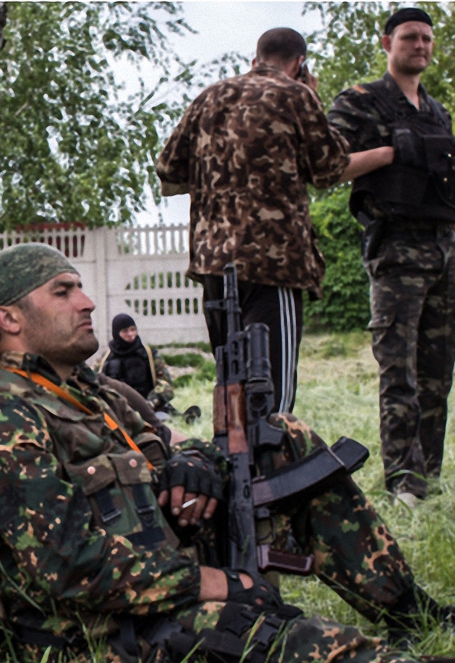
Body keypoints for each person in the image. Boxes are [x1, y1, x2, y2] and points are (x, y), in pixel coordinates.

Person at [0, 243, 455, 663]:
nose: (89, 302)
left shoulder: (91, 390)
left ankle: (407, 610)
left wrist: (193, 462)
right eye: (64, 291)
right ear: (9, 318)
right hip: (100, 633)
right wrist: (217, 582)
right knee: (282, 639)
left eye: (80, 286)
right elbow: (71, 567)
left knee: (281, 441)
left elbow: (163, 446)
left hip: (164, 567)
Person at [156, 27, 396, 414]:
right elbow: (329, 167)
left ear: (255, 60)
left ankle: (234, 470)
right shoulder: (297, 95)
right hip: (274, 264)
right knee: (271, 399)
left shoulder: (209, 97)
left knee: (231, 393)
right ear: (300, 64)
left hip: (214, 266)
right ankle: (269, 469)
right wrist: (380, 150)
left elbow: (167, 167)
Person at [326, 8, 455, 508]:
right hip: (395, 250)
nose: (421, 46)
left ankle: (428, 477)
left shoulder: (438, 112)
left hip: (440, 250)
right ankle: (403, 482)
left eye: (428, 39)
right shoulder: (362, 102)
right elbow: (328, 166)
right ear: (387, 43)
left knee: (438, 373)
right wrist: (391, 152)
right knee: (400, 373)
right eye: (411, 38)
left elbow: (448, 192)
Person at [93, 314, 174, 414]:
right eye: (125, 331)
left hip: (151, 409)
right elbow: (93, 385)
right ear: (116, 333)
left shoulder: (149, 354)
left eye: (133, 329)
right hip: (118, 412)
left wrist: (152, 402)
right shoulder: (104, 359)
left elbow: (166, 385)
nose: (130, 334)